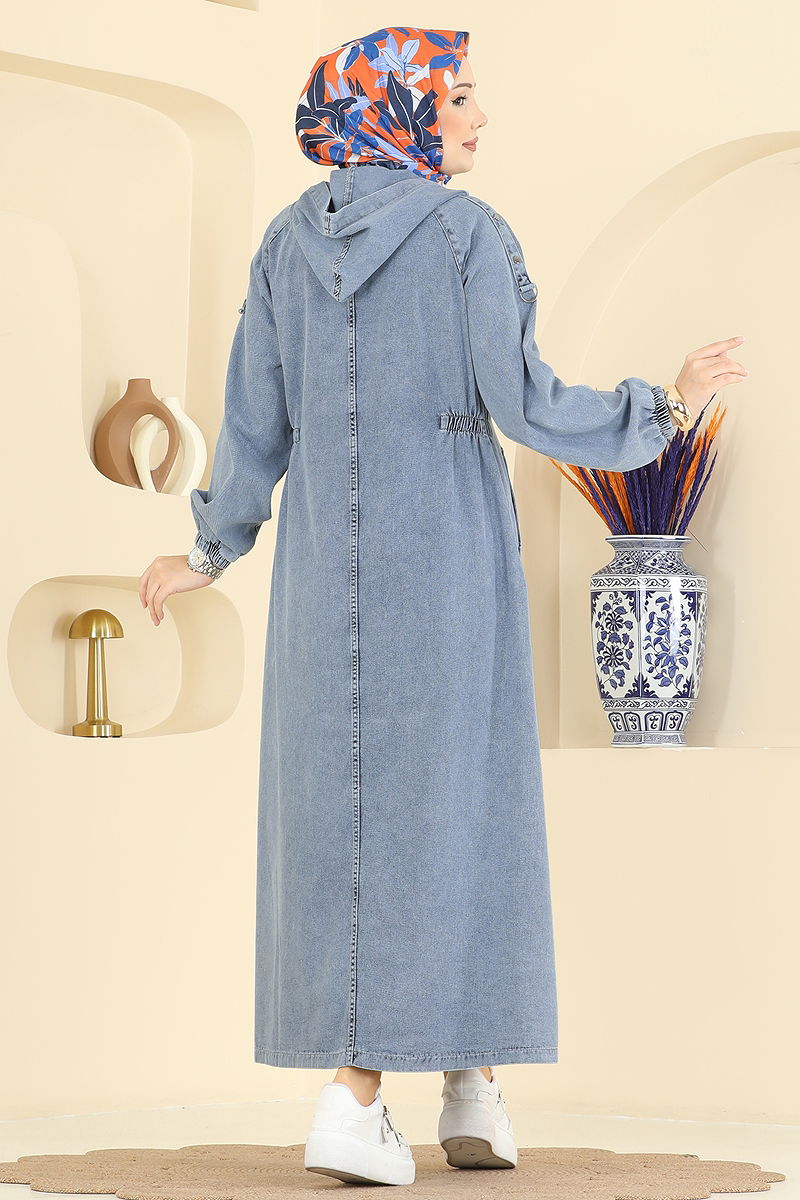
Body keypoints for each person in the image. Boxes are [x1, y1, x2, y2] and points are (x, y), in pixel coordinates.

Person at [138, 25, 747, 1189]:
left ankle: (466, 1077)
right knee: (467, 799)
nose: (477, 115)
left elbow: (253, 420)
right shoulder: (466, 234)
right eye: (456, 95)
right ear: (400, 112)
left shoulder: (282, 246)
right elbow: (524, 402)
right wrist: (661, 406)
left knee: (347, 817)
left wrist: (208, 551)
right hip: (449, 556)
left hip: (322, 580)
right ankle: (359, 1096)